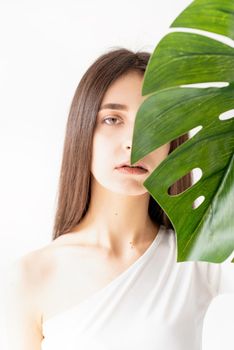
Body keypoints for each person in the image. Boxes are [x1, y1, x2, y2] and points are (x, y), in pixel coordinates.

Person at [4, 48, 234, 350]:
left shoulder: (198, 259)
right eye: (113, 119)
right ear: (83, 130)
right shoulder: (30, 276)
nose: (135, 143)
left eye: (157, 123)